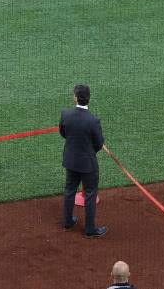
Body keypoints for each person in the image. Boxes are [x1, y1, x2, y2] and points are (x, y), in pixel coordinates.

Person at [61, 82, 107, 237]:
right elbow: (99, 144)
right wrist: (89, 150)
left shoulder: (66, 114)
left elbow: (63, 133)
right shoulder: (93, 120)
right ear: (89, 99)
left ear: (75, 98)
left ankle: (67, 221)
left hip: (71, 160)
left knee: (69, 190)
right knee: (91, 193)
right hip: (88, 163)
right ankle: (90, 229)